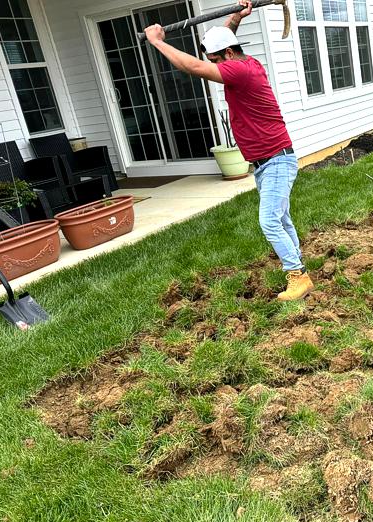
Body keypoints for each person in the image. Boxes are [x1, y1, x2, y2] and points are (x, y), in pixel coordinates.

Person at [143, 1, 313, 301]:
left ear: (230, 56)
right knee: (281, 219)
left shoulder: (239, 71)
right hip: (268, 161)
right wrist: (236, 17)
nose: (213, 65)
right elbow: (222, 40)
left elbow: (192, 67)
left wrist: (157, 42)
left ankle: (297, 276)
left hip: (275, 160)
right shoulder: (247, 63)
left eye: (216, 60)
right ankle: (297, 267)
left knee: (269, 221)